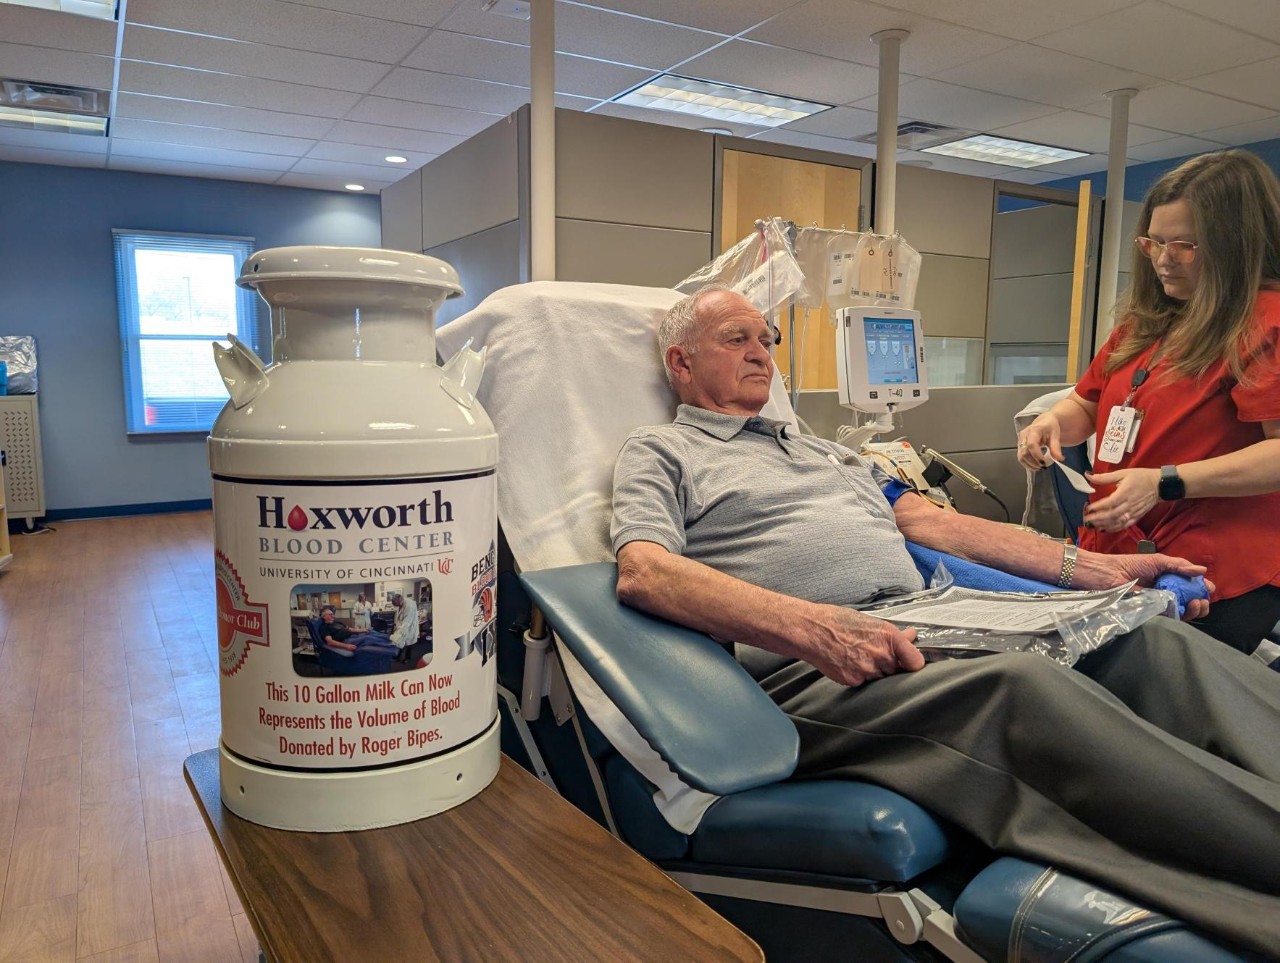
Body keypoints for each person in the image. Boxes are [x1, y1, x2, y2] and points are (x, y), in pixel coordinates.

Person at [610, 284, 1280, 958]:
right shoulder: (663, 451)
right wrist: (819, 629)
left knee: (1146, 639)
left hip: (927, 620)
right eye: (737, 339)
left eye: (767, 339)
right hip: (813, 663)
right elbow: (644, 568)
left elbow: (936, 524)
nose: (762, 353)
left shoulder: (827, 453)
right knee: (1021, 686)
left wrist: (1104, 575)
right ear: (682, 364)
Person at [1018, 150, 1280, 654]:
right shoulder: (1149, 321)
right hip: (1120, 554)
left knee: (1168, 706)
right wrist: (1050, 423)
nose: (1163, 258)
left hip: (1213, 573)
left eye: (1184, 244)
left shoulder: (1265, 322)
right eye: (1154, 242)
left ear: (1238, 245)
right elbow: (1089, 406)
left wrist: (1164, 482)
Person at [390, 592, 419, 662]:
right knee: (400, 642)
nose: (398, 607)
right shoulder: (400, 603)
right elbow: (399, 617)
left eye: (398, 605)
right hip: (402, 625)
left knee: (409, 643)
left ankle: (407, 658)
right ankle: (398, 656)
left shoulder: (410, 606)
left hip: (409, 627)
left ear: (400, 600)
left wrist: (398, 634)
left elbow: (407, 622)